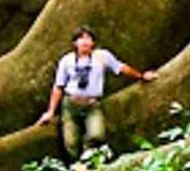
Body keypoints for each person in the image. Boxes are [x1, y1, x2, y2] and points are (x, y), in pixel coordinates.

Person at [38, 26, 158, 161]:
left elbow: (121, 68)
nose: (84, 42)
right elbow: (58, 86)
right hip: (70, 105)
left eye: (88, 38)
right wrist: (50, 112)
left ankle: (88, 158)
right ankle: (77, 167)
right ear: (75, 43)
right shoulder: (67, 61)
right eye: (80, 38)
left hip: (92, 105)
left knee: (97, 135)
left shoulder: (102, 56)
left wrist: (141, 76)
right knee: (71, 142)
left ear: (93, 43)